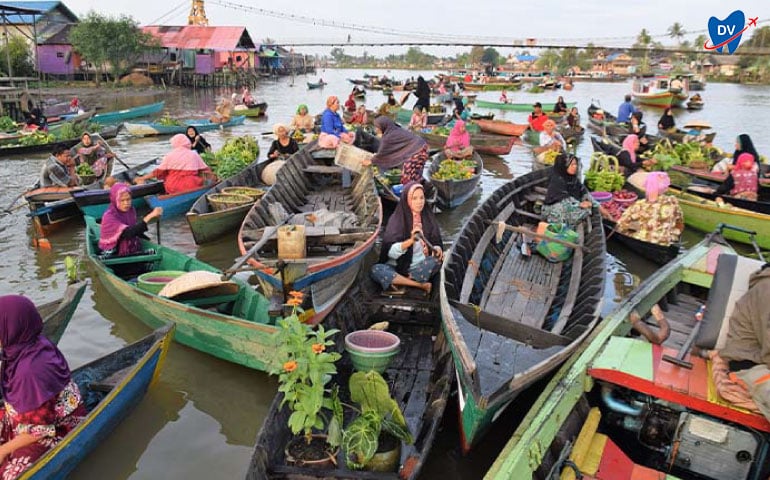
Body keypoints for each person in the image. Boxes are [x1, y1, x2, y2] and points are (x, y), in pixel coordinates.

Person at [0, 295, 87, 477]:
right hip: (25, 416)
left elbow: (40, 431)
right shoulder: (29, 344)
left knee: (11, 474)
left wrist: (3, 451)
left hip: (54, 429)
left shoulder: (29, 371)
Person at [370, 182, 443, 295]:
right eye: (414, 198)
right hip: (397, 267)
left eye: (421, 198)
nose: (419, 202)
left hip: (419, 268)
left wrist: (437, 249)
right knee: (376, 270)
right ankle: (419, 285)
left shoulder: (428, 217)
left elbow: (436, 241)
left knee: (438, 261)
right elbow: (391, 253)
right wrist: (411, 241)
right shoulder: (397, 220)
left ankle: (402, 283)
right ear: (407, 200)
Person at [615, 172, 683, 246]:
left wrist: (633, 226)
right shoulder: (673, 202)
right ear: (665, 188)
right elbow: (679, 222)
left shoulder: (639, 205)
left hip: (645, 242)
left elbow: (620, 226)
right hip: (665, 242)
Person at [134, 134, 215, 194]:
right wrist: (215, 179)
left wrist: (143, 178)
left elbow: (158, 172)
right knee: (198, 179)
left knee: (167, 177)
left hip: (172, 186)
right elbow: (206, 170)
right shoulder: (193, 154)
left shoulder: (169, 155)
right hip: (191, 185)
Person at [99, 183, 163, 257]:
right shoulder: (109, 216)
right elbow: (127, 233)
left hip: (128, 249)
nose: (126, 203)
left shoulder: (130, 211)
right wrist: (149, 217)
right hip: (113, 253)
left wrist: (149, 240)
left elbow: (134, 230)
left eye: (128, 199)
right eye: (122, 200)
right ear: (115, 200)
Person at [363, 116, 428, 185]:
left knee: (408, 174)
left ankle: (411, 189)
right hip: (422, 146)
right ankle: (418, 186)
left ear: (383, 126)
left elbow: (382, 154)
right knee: (415, 172)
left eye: (377, 127)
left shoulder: (388, 137)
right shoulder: (395, 130)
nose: (375, 130)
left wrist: (371, 161)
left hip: (418, 150)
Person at [541, 153, 596, 227]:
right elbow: (565, 200)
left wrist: (597, 205)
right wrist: (579, 204)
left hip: (569, 206)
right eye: (572, 165)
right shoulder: (557, 180)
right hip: (554, 208)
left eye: (575, 164)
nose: (575, 167)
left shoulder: (574, 179)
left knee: (587, 209)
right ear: (564, 165)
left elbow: (585, 192)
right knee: (562, 210)